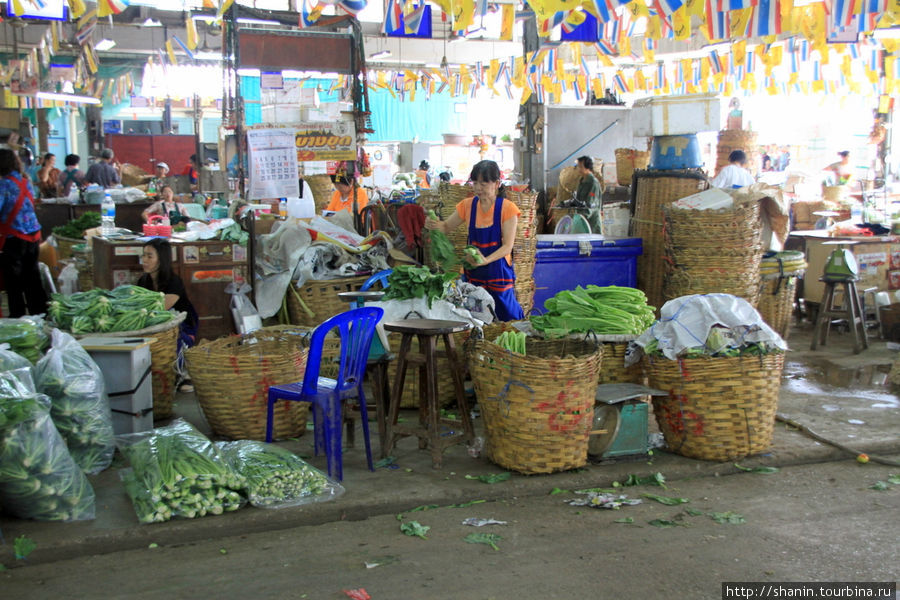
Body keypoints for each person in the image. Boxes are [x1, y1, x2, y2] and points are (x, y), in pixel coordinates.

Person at [424, 159, 525, 321]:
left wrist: (486, 260)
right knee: (477, 316)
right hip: (474, 272)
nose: (478, 188)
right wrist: (432, 224)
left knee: (506, 316)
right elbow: (445, 227)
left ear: (497, 183)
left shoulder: (507, 208)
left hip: (498, 272)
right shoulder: (468, 205)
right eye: (475, 182)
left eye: (484, 183)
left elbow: (507, 246)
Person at [137, 238, 198, 392]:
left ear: (161, 259)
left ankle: (183, 373)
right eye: (143, 255)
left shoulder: (173, 282)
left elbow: (162, 307)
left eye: (149, 256)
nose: (144, 260)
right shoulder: (143, 281)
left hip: (182, 324)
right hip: (153, 321)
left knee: (172, 336)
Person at [0, 148, 48, 317]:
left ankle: (18, 317)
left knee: (13, 281)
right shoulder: (24, 181)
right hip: (33, 236)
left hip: (15, 237)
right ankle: (40, 314)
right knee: (32, 276)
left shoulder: (3, 184)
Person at [573, 155, 602, 233]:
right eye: (578, 166)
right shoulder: (581, 181)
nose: (578, 169)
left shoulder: (593, 183)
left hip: (591, 222)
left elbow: (592, 202)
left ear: (587, 167)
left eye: (580, 166)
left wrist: (582, 217)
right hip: (582, 219)